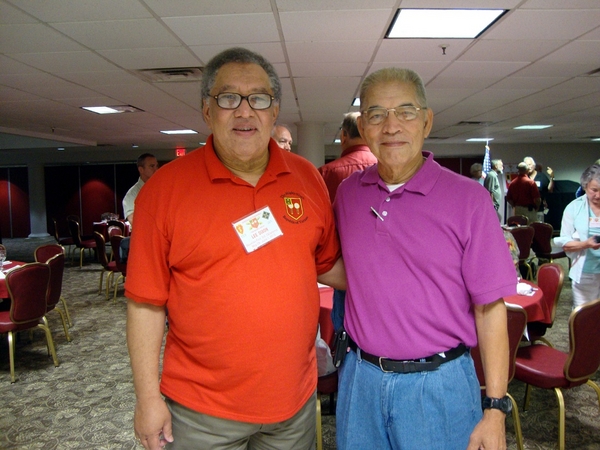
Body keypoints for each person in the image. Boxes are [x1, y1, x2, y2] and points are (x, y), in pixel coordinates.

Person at [125, 47, 344, 450]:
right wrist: (146, 398)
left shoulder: (307, 179)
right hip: (201, 411)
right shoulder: (164, 190)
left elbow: (328, 265)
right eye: (229, 98)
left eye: (258, 99)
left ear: (274, 110)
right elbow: (145, 303)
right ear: (207, 110)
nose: (245, 112)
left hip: (292, 405)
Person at [333, 67, 517, 450]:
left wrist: (496, 408)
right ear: (363, 127)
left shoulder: (469, 199)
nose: (391, 126)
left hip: (439, 384)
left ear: (427, 121)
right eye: (377, 114)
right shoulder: (348, 194)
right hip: (360, 380)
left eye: (406, 111)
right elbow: (351, 271)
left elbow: (491, 307)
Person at [318, 112, 377, 331]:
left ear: (343, 136)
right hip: (386, 270)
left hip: (341, 269)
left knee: (344, 332)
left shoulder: (325, 174)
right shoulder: (390, 170)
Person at [555, 164, 600, 309]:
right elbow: (565, 242)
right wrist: (585, 244)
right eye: (594, 190)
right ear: (585, 186)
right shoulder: (574, 208)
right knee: (585, 318)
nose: (598, 195)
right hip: (585, 273)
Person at [122, 153, 158, 227]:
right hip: (143, 235)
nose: (156, 169)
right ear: (141, 170)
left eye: (156, 166)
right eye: (152, 166)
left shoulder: (161, 189)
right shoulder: (132, 194)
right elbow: (134, 220)